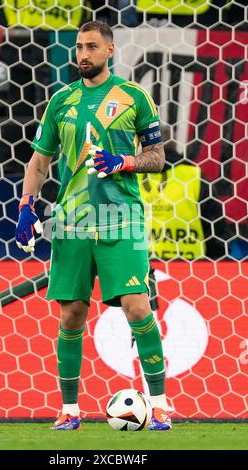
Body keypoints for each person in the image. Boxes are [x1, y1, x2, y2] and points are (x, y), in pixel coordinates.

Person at [15, 20, 171, 431]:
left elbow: (157, 156)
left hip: (123, 218)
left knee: (138, 307)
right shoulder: (60, 101)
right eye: (79, 46)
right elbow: (39, 162)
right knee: (71, 316)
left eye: (91, 47)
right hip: (72, 221)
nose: (82, 54)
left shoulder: (135, 97)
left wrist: (125, 162)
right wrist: (27, 206)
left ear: (109, 50)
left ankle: (159, 405)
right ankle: (69, 411)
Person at [138, 125, 233, 261]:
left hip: (140, 270)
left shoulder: (132, 178)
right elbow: (216, 234)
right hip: (190, 270)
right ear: (174, 143)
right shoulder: (195, 176)